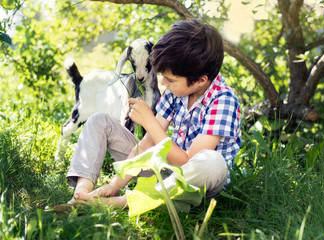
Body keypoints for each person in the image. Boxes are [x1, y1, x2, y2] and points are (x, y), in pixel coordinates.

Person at [64, 19, 241, 208]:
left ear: (200, 80)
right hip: (165, 169)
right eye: (163, 76)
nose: (164, 83)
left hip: (195, 181)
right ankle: (83, 191)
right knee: (99, 120)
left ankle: (122, 203)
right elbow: (148, 143)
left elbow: (187, 163)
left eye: (170, 79)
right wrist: (115, 184)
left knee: (213, 163)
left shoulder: (223, 100)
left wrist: (150, 122)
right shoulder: (175, 91)